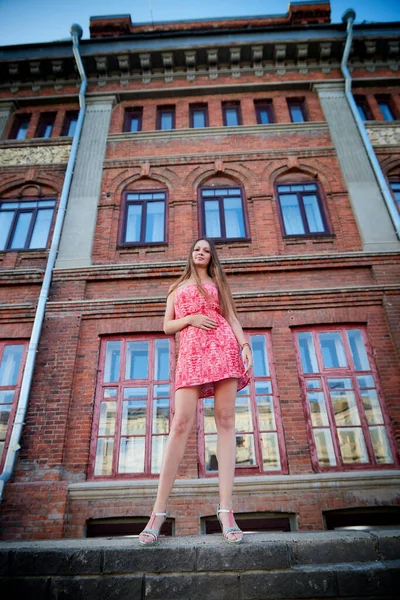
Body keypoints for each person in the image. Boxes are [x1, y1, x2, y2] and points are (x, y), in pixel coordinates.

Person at [139, 238, 253, 546]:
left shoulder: (218, 283)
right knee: (180, 424)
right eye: (196, 249)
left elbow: (231, 317)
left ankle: (226, 510)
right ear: (190, 255)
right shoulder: (176, 288)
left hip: (224, 346)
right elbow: (166, 326)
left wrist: (244, 345)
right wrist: (190, 318)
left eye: (205, 250)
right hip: (191, 352)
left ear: (211, 256)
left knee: (226, 420)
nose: (200, 253)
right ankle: (157, 514)